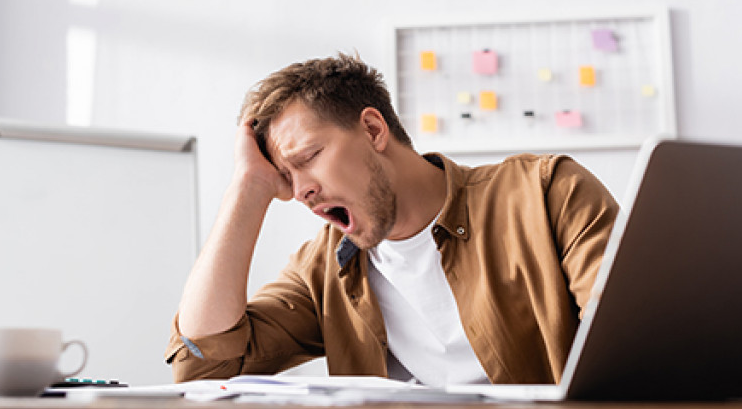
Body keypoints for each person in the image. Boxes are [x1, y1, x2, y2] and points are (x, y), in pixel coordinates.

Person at [165, 53, 619, 387]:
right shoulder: (323, 268)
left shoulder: (546, 194)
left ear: (373, 130)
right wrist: (246, 189)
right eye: (284, 177)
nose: (299, 190)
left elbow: (632, 351)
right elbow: (204, 365)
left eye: (308, 158)